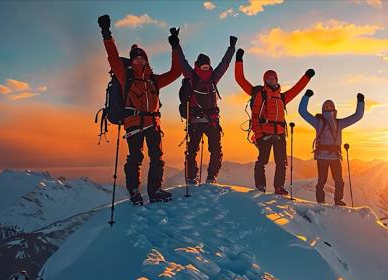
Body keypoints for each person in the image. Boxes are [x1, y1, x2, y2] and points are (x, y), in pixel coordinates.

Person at [97, 15, 184, 204]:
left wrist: (175, 46)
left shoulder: (154, 80)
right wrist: (106, 33)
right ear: (131, 61)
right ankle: (134, 192)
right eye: (135, 59)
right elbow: (112, 57)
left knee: (157, 158)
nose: (138, 61)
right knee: (135, 158)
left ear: (146, 60)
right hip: (133, 123)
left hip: (153, 123)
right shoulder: (125, 76)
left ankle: (155, 191)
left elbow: (176, 72)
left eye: (141, 58)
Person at [234, 48, 314, 195]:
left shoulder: (281, 97)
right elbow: (240, 79)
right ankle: (260, 187)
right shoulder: (258, 93)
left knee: (281, 163)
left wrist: (307, 77)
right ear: (265, 81)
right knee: (262, 162)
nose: (272, 80)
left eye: (274, 78)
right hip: (264, 133)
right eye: (269, 78)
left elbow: (297, 89)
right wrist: (239, 59)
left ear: (277, 80)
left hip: (280, 133)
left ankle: (279, 187)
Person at [179, 36, 237, 184]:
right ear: (198, 65)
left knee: (215, 149)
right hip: (198, 119)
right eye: (203, 66)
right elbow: (182, 61)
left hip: (210, 120)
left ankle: (211, 177)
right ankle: (192, 177)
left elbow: (224, 64)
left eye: (207, 66)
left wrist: (231, 49)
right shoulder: (191, 75)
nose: (205, 68)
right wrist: (175, 44)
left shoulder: (213, 77)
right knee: (192, 150)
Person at [298, 89, 365, 205]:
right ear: (324, 109)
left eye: (330, 105)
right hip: (331, 157)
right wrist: (306, 96)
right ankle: (333, 201)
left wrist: (360, 101)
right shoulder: (336, 123)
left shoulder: (319, 122)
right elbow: (302, 111)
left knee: (329, 181)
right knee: (332, 181)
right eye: (327, 106)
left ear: (334, 108)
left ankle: (326, 200)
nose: (329, 107)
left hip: (328, 157)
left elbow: (358, 116)